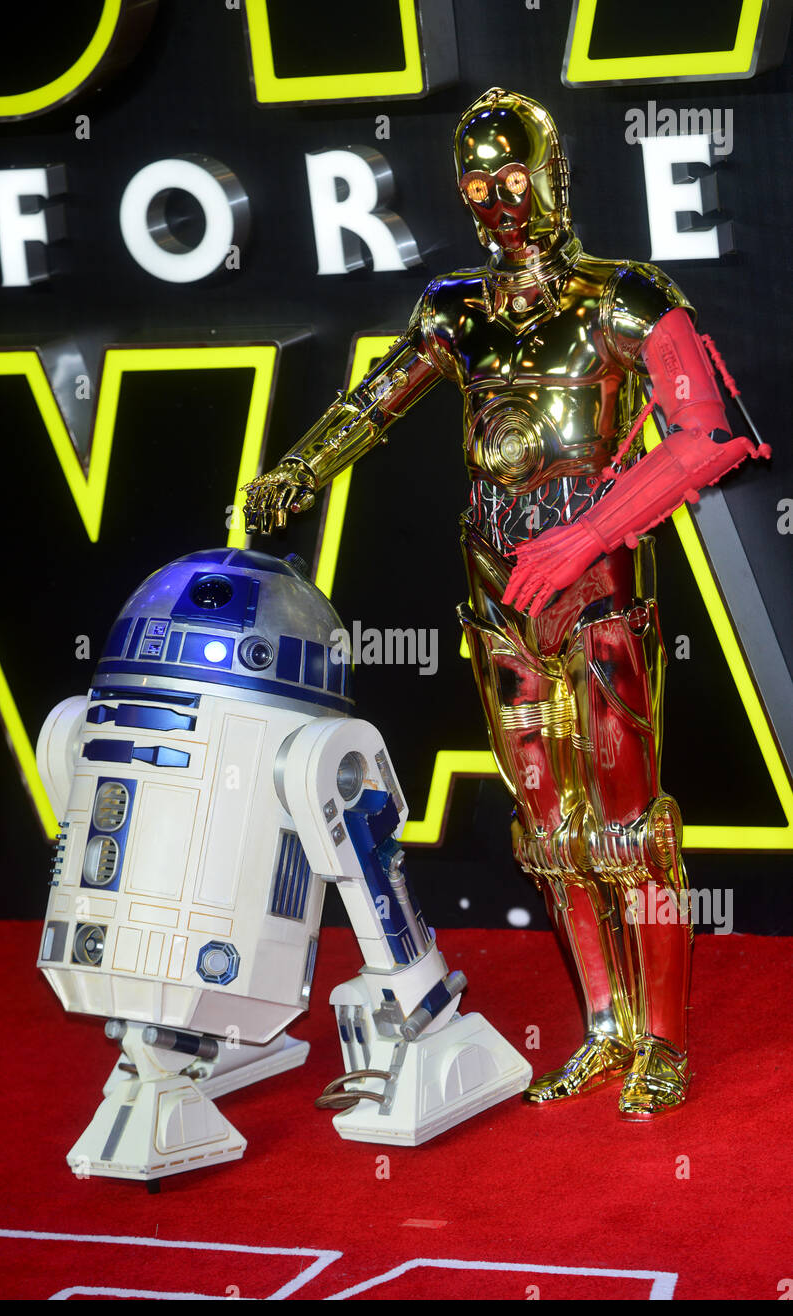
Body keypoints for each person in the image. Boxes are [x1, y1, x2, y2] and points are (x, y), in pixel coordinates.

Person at [243, 89, 763, 1118]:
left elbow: (716, 433)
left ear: (553, 172)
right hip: (494, 594)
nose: (500, 201)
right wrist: (295, 471)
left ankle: (659, 1038)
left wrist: (590, 532)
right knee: (547, 826)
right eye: (478, 184)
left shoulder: (619, 298)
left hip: (599, 592)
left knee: (628, 827)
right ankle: (604, 1027)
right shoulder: (456, 309)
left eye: (514, 176)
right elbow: (377, 397)